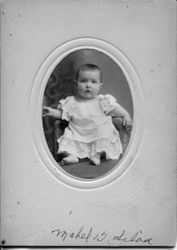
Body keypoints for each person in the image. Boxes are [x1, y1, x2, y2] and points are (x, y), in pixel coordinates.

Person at [43, 64, 132, 165]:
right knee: (66, 141)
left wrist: (126, 115)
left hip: (98, 132)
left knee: (105, 133)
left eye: (94, 82)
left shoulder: (102, 101)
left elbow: (116, 109)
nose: (88, 85)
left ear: (100, 86)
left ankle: (97, 154)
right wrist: (52, 112)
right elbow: (62, 114)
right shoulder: (72, 102)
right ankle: (71, 156)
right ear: (76, 84)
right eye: (84, 81)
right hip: (78, 133)